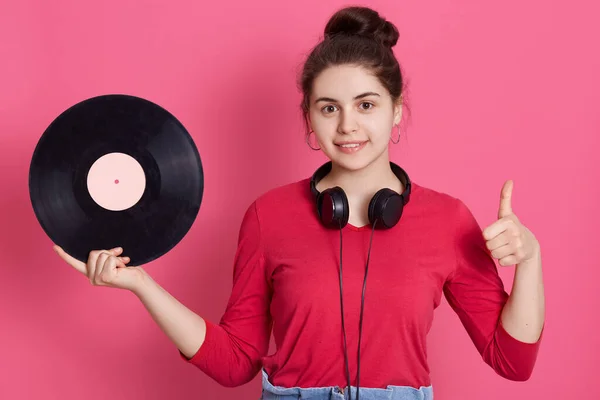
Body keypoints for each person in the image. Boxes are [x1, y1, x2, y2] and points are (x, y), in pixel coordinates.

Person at [54, 6, 545, 400]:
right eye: (328, 108)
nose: (348, 126)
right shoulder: (269, 216)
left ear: (397, 111)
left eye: (367, 105)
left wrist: (531, 259)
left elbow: (512, 362)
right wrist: (141, 284)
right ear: (309, 119)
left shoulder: (448, 220)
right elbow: (236, 364)